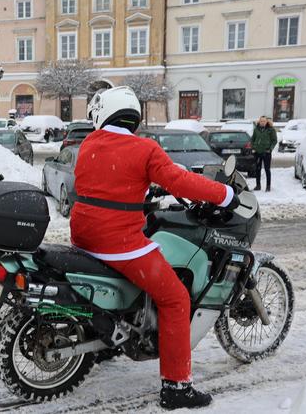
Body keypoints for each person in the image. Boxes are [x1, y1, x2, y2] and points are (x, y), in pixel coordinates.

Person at [72, 87, 239, 410]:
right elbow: (179, 181)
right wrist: (224, 195)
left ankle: (108, 340)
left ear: (104, 113)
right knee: (175, 298)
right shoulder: (144, 148)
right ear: (133, 115)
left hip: (84, 235)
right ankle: (177, 386)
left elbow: (110, 182)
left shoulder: (88, 143)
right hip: (118, 243)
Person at [251, 116, 277, 191]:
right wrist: (253, 148)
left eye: (264, 121)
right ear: (259, 121)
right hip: (257, 152)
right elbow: (252, 140)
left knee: (267, 169)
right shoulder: (256, 129)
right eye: (261, 121)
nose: (262, 122)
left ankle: (268, 186)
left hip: (266, 153)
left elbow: (274, 141)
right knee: (257, 169)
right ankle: (258, 185)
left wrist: (270, 149)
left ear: (267, 122)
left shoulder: (271, 130)